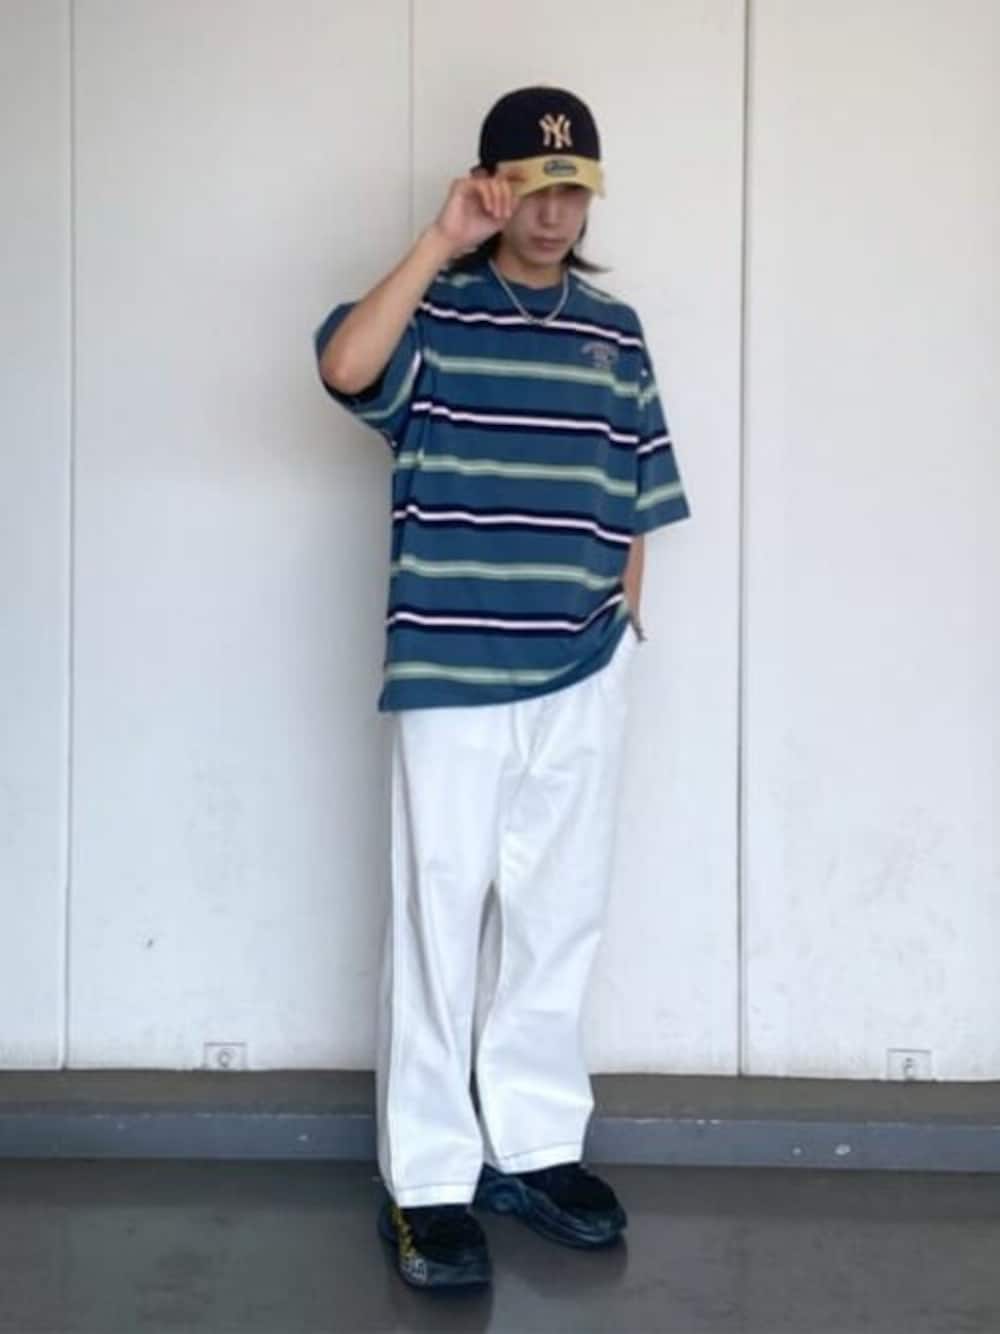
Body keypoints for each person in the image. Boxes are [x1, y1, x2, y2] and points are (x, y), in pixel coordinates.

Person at [312, 84, 691, 1291]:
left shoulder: (614, 331)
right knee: (438, 919)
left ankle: (531, 1144)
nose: (554, 210)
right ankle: (428, 1179)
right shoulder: (435, 314)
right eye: (531, 185)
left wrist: (625, 625)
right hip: (453, 665)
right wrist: (440, 240)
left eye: (573, 187)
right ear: (492, 186)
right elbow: (343, 364)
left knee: (556, 911)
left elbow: (637, 490)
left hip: (582, 662)